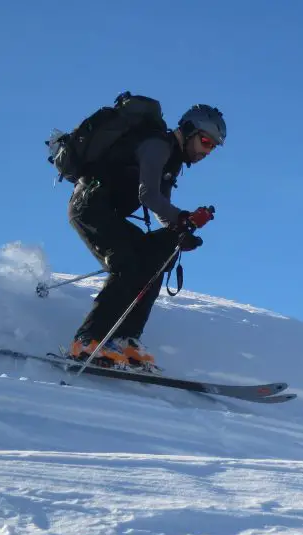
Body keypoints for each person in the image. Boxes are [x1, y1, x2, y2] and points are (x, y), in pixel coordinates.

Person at [65, 103, 226, 371]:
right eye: (205, 142)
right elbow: (148, 195)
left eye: (212, 148)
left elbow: (163, 210)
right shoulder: (157, 146)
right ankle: (87, 340)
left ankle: (125, 339)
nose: (206, 152)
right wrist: (181, 219)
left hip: (109, 213)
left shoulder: (172, 162)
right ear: (188, 130)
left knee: (155, 258)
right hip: (89, 206)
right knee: (126, 264)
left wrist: (181, 230)